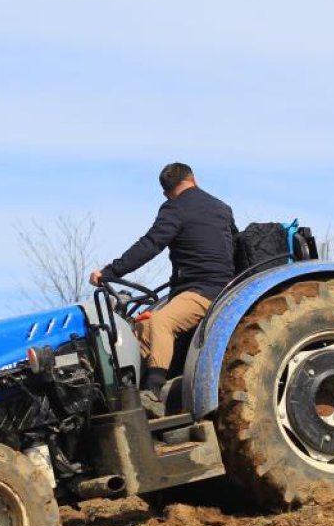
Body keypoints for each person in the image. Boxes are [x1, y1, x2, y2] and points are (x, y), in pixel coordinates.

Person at [90, 162, 236, 414]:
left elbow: (150, 245)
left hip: (203, 292)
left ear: (166, 192)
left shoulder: (175, 208)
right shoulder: (222, 208)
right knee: (141, 328)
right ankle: (126, 397)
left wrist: (109, 273)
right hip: (220, 287)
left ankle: (152, 392)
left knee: (160, 322)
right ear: (194, 179)